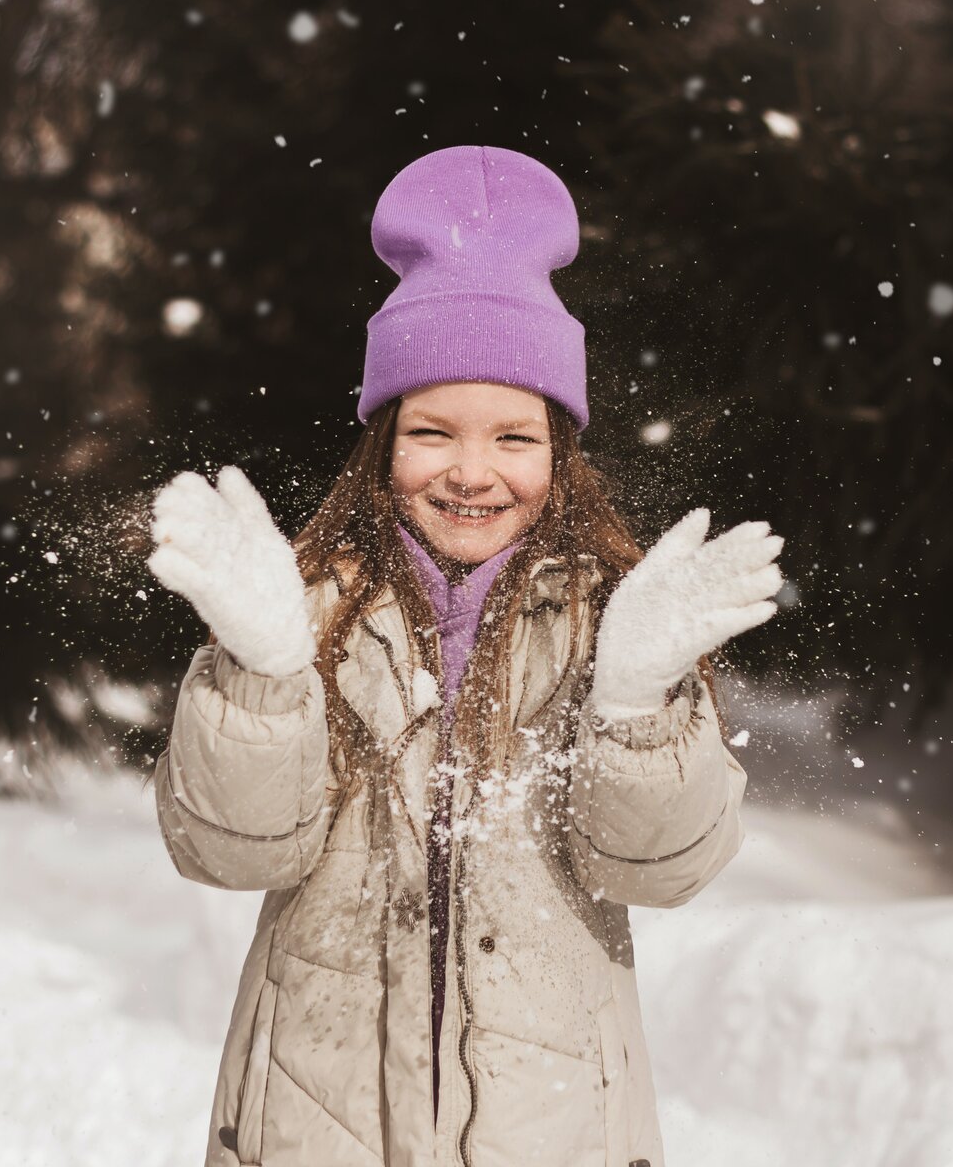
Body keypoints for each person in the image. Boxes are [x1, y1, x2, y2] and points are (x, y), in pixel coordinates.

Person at [145, 144, 784, 1167]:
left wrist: (634, 702)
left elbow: (663, 869)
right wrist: (265, 672)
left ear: (561, 451)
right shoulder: (304, 606)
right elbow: (233, 850)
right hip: (317, 1119)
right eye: (434, 430)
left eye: (515, 438)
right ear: (383, 440)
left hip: (556, 1123)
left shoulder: (611, 624)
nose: (473, 472)